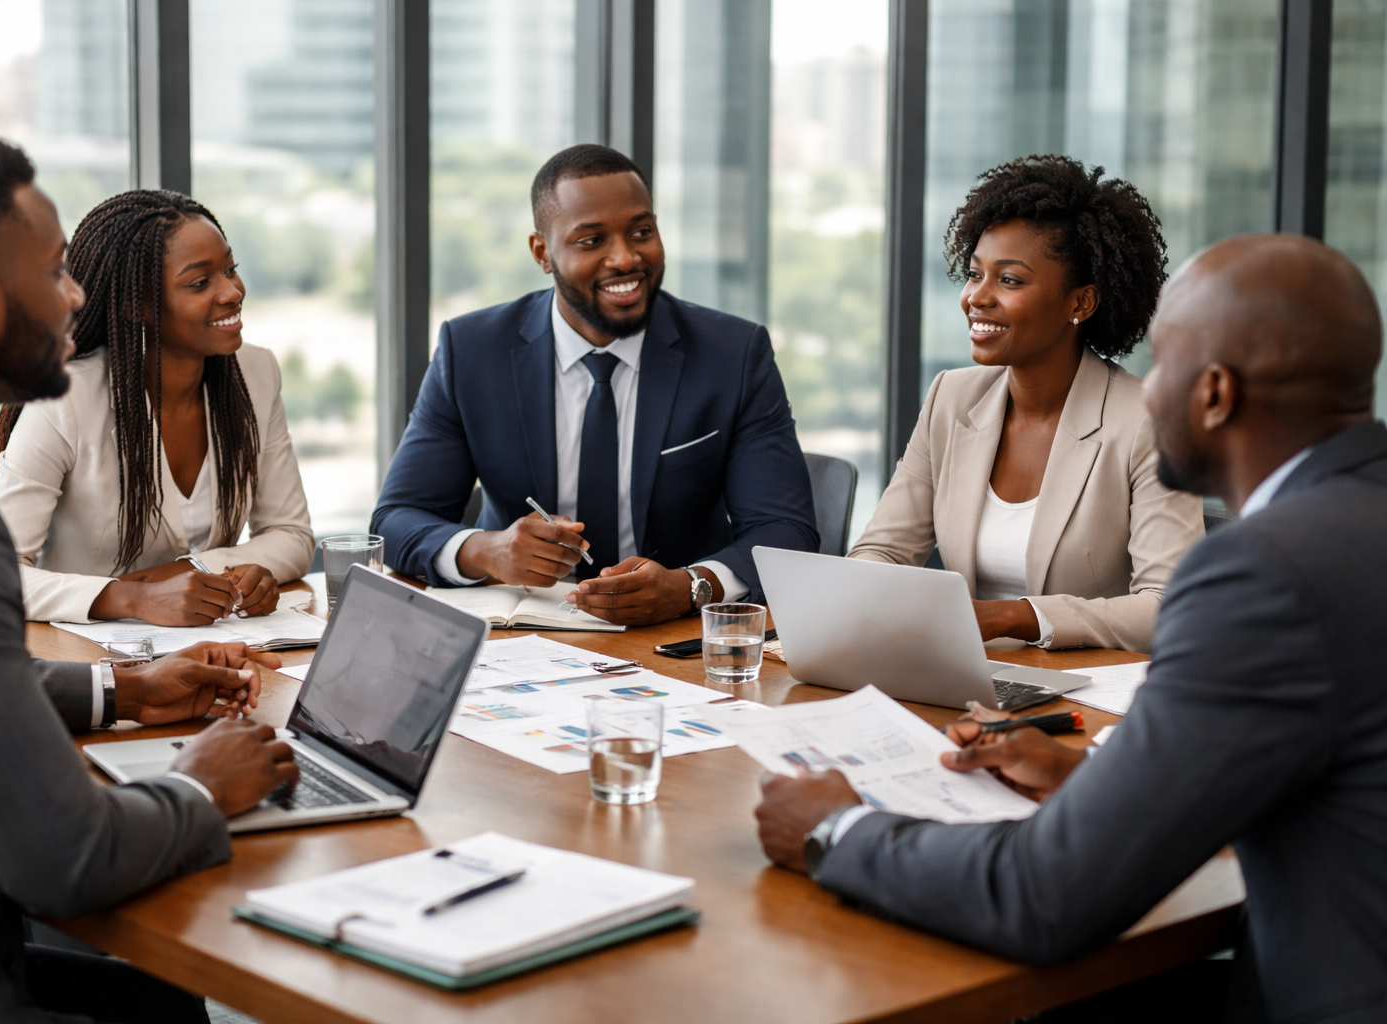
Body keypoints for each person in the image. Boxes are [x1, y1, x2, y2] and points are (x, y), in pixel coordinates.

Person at [754, 233, 1387, 1021]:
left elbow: (1045, 895)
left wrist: (837, 830)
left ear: (1215, 394)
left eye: (1164, 364)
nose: (1146, 391)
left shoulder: (1264, 575)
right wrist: (1088, 778)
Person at [0, 135, 300, 1023]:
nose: (77, 297)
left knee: (170, 1006)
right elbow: (68, 858)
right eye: (56, 271)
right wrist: (203, 783)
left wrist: (120, 689)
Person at [370, 144, 818, 626]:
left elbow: (784, 531)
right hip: (523, 638)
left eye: (641, 232)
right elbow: (396, 520)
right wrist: (488, 550)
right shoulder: (472, 351)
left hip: (675, 637)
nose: (625, 258)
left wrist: (692, 586)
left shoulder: (733, 353)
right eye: (591, 241)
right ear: (543, 252)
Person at [849, 156, 1204, 652]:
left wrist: (1014, 618)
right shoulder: (951, 397)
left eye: (1009, 280)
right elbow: (884, 550)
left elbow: (1169, 606)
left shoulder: (1147, 421)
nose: (978, 297)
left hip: (1082, 697)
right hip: (963, 678)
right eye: (975, 275)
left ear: (1080, 303)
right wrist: (855, 595)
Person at [0, 190, 314, 625]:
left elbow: (291, 534)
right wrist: (132, 598)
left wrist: (198, 572)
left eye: (230, 269)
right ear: (135, 304)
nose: (233, 292)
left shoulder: (256, 372)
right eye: (200, 282)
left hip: (212, 650)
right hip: (85, 664)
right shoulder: (65, 399)